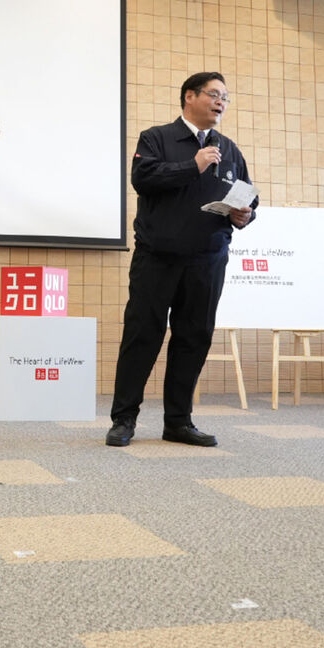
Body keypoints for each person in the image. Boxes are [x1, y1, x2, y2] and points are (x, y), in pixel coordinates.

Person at [106, 71, 257, 448]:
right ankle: (124, 420)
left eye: (226, 96)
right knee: (142, 336)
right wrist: (195, 165)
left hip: (208, 261)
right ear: (190, 96)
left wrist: (245, 214)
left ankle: (178, 421)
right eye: (214, 94)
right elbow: (143, 178)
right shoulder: (157, 138)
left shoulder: (230, 149)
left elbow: (248, 196)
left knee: (194, 338)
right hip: (158, 258)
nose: (221, 102)